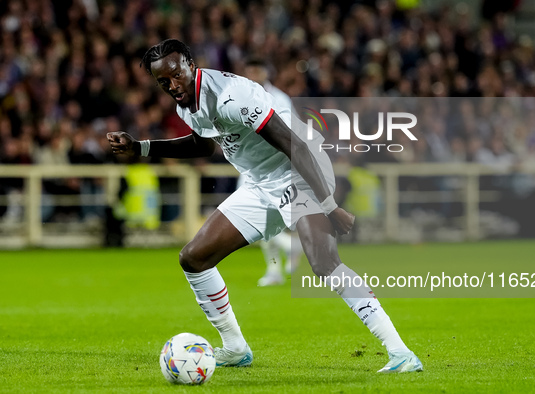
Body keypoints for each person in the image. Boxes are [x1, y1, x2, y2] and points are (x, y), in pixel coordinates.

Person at [107, 39, 422, 373]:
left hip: (298, 171)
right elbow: (203, 144)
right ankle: (235, 347)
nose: (171, 85)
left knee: (324, 263)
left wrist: (329, 206)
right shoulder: (186, 103)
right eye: (162, 82)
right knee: (193, 258)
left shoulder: (232, 96)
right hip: (260, 184)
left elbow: (294, 145)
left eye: (174, 75)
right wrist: (141, 147)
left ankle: (401, 353)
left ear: (189, 63)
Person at [243, 58, 303, 286]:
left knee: (270, 222)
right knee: (260, 221)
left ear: (265, 72)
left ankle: (290, 252)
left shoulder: (278, 98)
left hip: (276, 166)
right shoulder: (242, 95)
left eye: (256, 70)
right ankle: (278, 265)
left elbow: (291, 132)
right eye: (249, 70)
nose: (252, 74)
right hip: (250, 166)